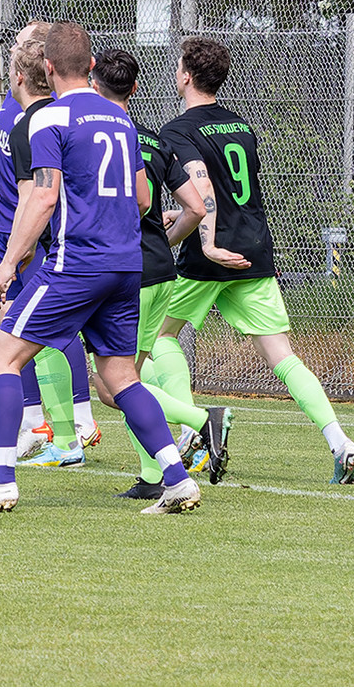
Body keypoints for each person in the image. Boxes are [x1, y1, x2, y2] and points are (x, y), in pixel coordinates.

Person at [0, 22, 200, 514]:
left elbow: (42, 196)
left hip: (76, 263)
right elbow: (145, 198)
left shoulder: (47, 119)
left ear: (48, 68)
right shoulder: (123, 120)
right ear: (94, 68)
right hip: (127, 265)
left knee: (1, 358)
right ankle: (176, 477)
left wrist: (6, 267)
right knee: (121, 376)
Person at [157, 37, 354, 484]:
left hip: (210, 256)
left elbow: (203, 187)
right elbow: (229, 195)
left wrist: (203, 241)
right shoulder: (241, 126)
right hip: (253, 250)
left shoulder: (177, 130)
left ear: (186, 76)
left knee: (159, 337)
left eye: (177, 68)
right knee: (283, 357)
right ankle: (340, 440)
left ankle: (195, 428)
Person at [89, 47, 228, 499]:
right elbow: (195, 208)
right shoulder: (152, 138)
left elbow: (140, 202)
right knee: (129, 376)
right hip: (159, 271)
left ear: (93, 85)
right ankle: (153, 476)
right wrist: (164, 245)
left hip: (118, 271)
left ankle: (197, 421)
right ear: (134, 89)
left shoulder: (91, 136)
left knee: (113, 386)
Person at [3, 36, 101, 466]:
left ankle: (61, 432)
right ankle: (70, 430)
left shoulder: (34, 124)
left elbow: (35, 200)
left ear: (23, 75)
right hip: (110, 250)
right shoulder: (102, 114)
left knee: (14, 343)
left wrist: (11, 260)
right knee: (122, 369)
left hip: (60, 250)